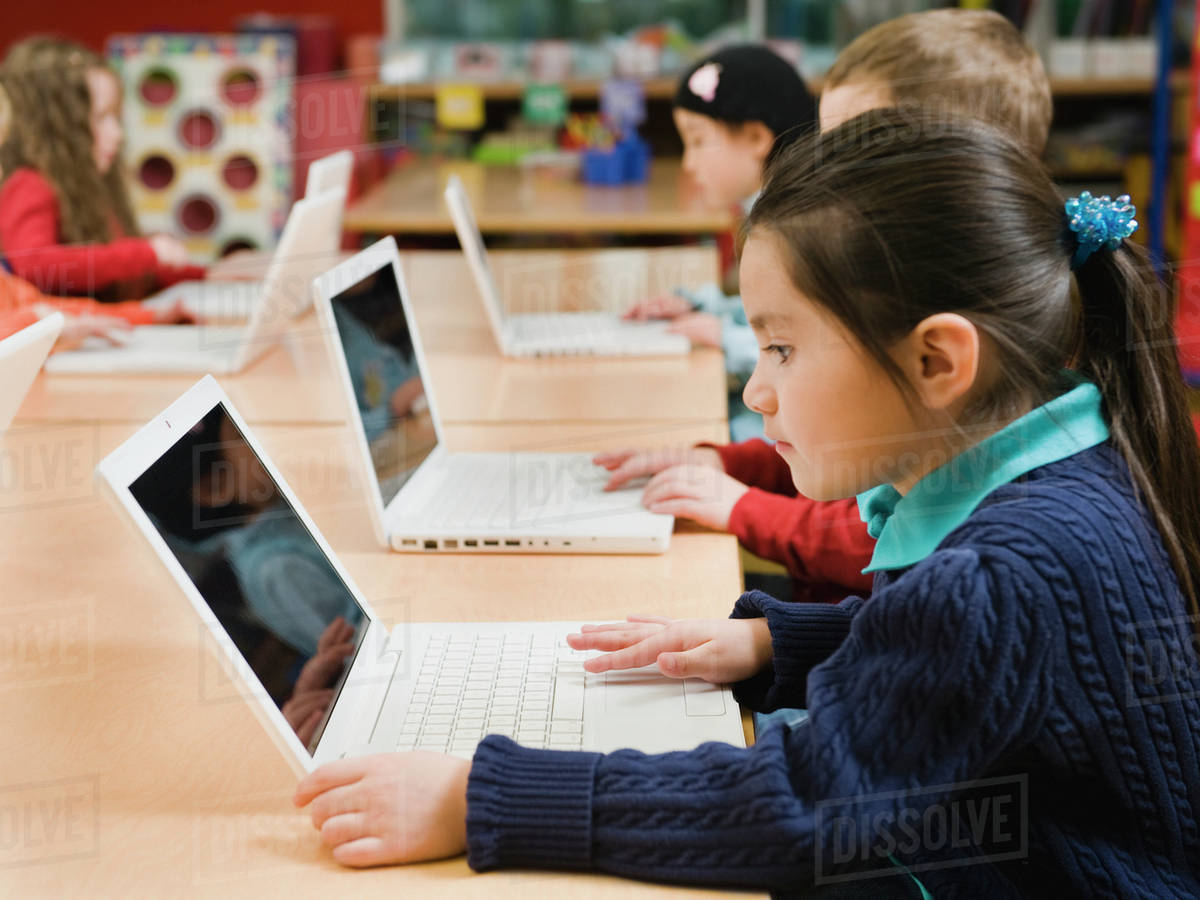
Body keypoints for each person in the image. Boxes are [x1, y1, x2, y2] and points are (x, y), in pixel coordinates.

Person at [292, 111, 1200, 896]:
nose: (756, 390)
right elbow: (968, 671)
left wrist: (479, 798)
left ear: (937, 362)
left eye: (782, 350)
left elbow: (798, 810)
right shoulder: (1066, 472)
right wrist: (776, 643)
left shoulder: (996, 576)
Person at [602, 10, 1055, 604]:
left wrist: (742, 506)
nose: (825, 169)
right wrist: (724, 464)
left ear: (960, 162)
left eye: (859, 148)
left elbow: (879, 540)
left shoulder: (976, 348)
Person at [624, 43, 817, 442]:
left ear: (756, 137)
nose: (688, 164)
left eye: (697, 141)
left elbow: (807, 348)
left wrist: (722, 336)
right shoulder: (770, 213)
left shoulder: (797, 229)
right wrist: (701, 305)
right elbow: (772, 314)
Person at [0, 37, 204, 300]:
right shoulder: (29, 183)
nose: (118, 134)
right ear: (60, 128)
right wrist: (146, 254)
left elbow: (121, 274)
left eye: (116, 118)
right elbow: (34, 264)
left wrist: (206, 274)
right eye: (101, 117)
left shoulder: (85, 188)